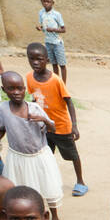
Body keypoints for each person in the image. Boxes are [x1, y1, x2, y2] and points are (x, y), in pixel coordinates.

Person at [0, 72, 63, 220]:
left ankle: (55, 217)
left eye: (19, 88)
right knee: (21, 189)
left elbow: (53, 127)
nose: (16, 92)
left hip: (39, 156)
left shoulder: (34, 108)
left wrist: (43, 119)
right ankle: (28, 216)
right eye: (11, 89)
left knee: (48, 186)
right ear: (4, 89)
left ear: (25, 89)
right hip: (17, 157)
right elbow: (1, 128)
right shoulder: (3, 109)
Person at [25, 42, 86, 197]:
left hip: (61, 126)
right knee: (46, 155)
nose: (35, 62)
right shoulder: (29, 78)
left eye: (39, 59)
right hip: (44, 127)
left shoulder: (56, 80)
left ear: (47, 60)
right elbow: (33, 100)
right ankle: (50, 181)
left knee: (72, 155)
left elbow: (69, 102)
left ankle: (80, 181)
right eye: (31, 59)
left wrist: (74, 125)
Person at [37, 0, 67, 81]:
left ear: (52, 3)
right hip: (48, 42)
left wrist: (53, 29)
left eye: (48, 1)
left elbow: (63, 29)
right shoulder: (41, 13)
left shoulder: (56, 14)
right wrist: (39, 27)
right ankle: (56, 82)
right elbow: (43, 26)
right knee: (53, 64)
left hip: (57, 43)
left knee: (62, 64)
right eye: (44, 1)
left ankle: (63, 85)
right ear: (41, 2)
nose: (46, 3)